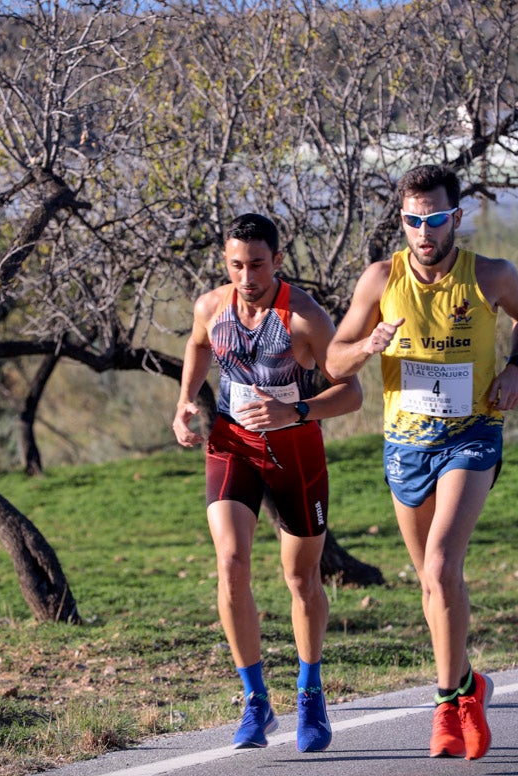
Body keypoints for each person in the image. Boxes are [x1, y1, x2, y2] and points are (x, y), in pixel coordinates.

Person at [326, 164, 518, 760]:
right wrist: (368, 345)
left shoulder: (490, 276)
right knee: (431, 581)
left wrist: (516, 368)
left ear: (457, 217)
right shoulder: (380, 280)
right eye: (413, 220)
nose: (425, 231)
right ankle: (473, 685)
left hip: (472, 435)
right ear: (403, 221)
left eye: (436, 218)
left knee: (444, 563)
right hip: (406, 445)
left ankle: (447, 705)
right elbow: (333, 362)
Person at [173, 212, 363, 753]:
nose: (246, 276)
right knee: (230, 562)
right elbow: (199, 345)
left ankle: (310, 691)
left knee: (301, 579)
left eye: (257, 264)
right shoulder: (212, 306)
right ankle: (256, 701)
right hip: (232, 443)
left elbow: (351, 395)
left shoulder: (304, 317)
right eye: (236, 264)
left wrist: (295, 412)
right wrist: (186, 401)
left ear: (277, 260)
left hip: (295, 450)